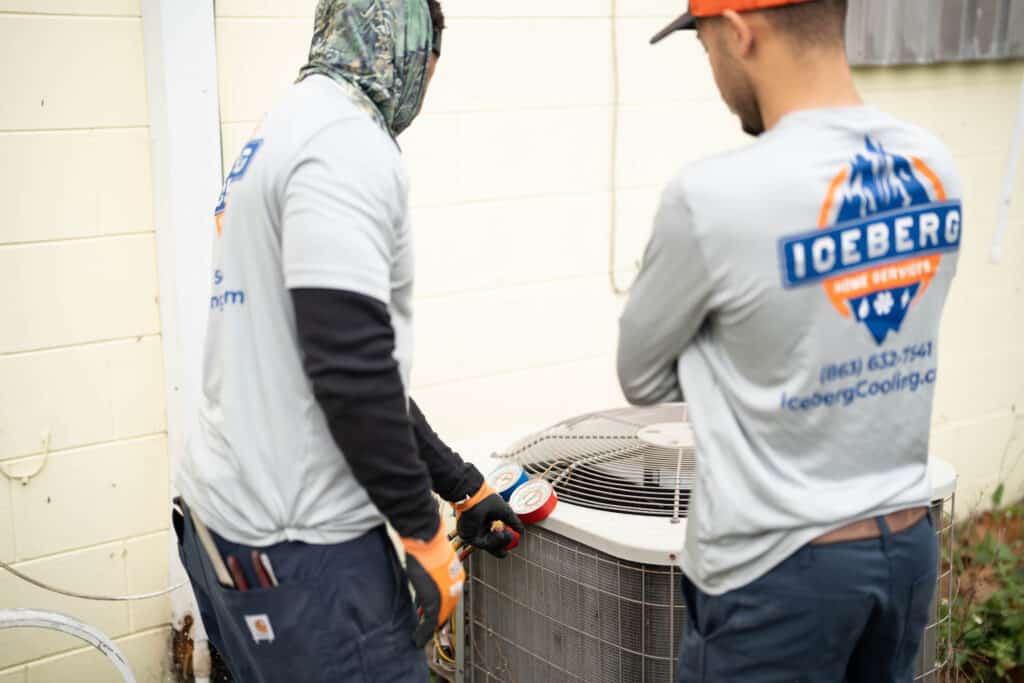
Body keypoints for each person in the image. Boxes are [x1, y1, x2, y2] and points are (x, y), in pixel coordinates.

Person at [172, 1, 523, 681]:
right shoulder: (346, 143)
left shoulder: (283, 126)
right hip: (302, 553)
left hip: (227, 523)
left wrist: (463, 485)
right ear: (409, 44)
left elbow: (333, 360)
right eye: (432, 60)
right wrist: (424, 534)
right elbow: (349, 368)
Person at [618, 1, 962, 681]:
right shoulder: (934, 164)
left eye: (707, 45)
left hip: (776, 571)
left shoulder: (712, 195)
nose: (713, 68)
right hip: (907, 547)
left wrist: (745, 354)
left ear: (742, 33)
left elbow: (642, 375)